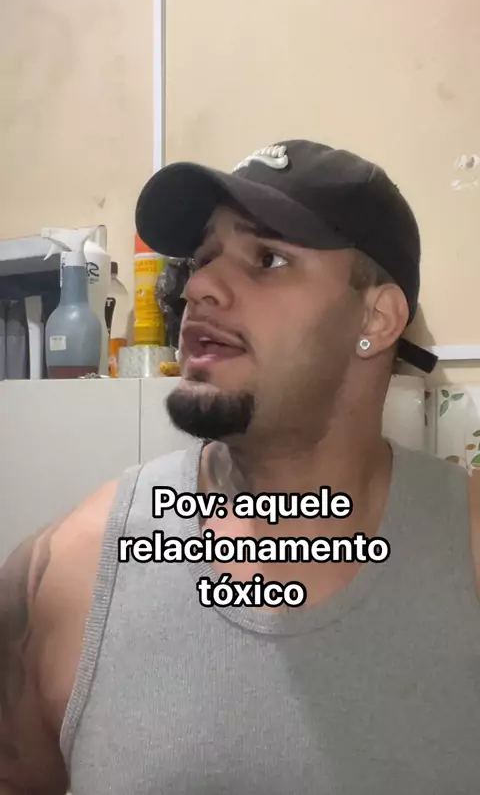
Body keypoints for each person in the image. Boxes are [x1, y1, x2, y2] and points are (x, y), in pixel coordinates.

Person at [1, 140, 479, 795]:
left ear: (377, 316)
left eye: (268, 259)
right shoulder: (66, 575)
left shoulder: (467, 551)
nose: (197, 287)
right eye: (202, 261)